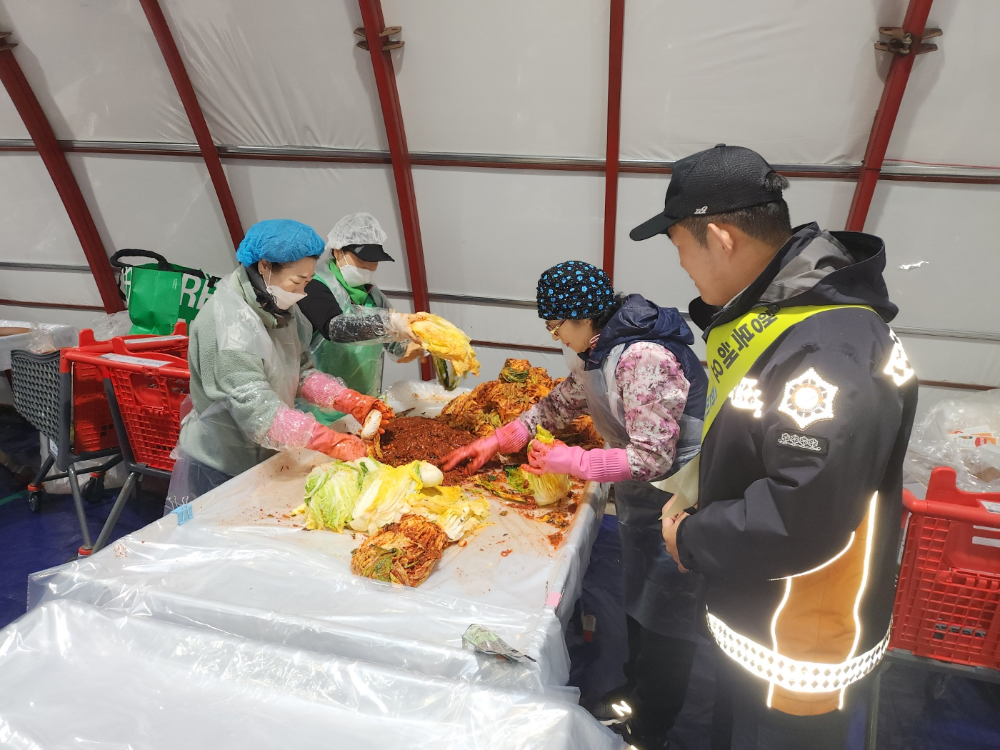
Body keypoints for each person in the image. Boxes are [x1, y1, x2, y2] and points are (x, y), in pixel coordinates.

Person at [630, 145, 918, 750]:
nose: (682, 265)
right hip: (759, 607)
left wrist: (692, 536)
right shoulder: (780, 320)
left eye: (680, 246)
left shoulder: (828, 348)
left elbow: (800, 516)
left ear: (721, 236)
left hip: (800, 631)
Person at [443, 261, 708, 749]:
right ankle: (635, 690)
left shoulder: (642, 358)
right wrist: (498, 440)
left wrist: (573, 461)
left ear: (584, 315)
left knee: (667, 612)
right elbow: (558, 405)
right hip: (640, 499)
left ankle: (652, 725)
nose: (554, 334)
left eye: (556, 323)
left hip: (679, 499)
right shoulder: (600, 351)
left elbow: (652, 456)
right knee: (640, 600)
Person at [166, 219, 393, 511]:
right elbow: (258, 411)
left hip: (265, 455)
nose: (303, 291)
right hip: (221, 463)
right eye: (297, 282)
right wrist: (330, 441)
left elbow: (302, 370)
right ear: (264, 267)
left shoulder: (282, 307)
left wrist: (347, 400)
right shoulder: (227, 322)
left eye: (308, 281)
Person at [297, 213, 424, 425]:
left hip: (365, 406)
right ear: (338, 251)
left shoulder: (372, 294)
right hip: (320, 412)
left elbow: (394, 344)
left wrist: (410, 348)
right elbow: (335, 328)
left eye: (373, 261)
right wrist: (391, 324)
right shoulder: (314, 286)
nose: (368, 266)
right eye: (362, 259)